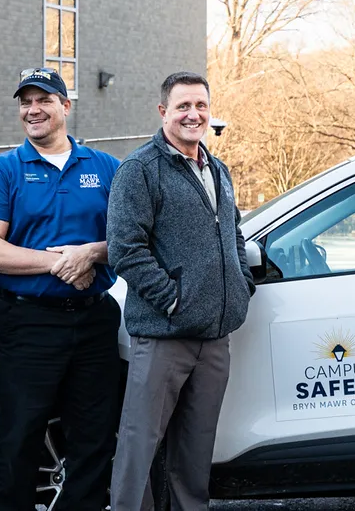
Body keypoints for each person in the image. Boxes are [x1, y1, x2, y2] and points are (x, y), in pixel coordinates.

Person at [0, 67, 122, 511]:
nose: (33, 110)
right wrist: (60, 262)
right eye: (25, 102)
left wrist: (91, 253)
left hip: (94, 320)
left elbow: (134, 239)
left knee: (93, 440)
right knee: (18, 438)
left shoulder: (106, 168)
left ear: (65, 106)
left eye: (44, 100)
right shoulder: (2, 171)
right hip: (28, 322)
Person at [108, 72, 256, 510]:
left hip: (214, 338)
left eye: (201, 106)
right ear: (163, 112)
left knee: (195, 452)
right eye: (183, 106)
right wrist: (174, 299)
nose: (194, 115)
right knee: (139, 446)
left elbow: (233, 233)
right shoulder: (140, 170)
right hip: (163, 336)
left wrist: (241, 287)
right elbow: (125, 250)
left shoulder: (218, 169)